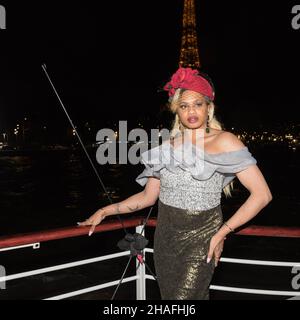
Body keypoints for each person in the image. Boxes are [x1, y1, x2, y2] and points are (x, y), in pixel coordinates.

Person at [78, 67, 273, 300]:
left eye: (198, 104)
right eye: (184, 106)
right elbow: (146, 198)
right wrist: (105, 210)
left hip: (202, 240)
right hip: (165, 241)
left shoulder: (225, 141)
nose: (191, 111)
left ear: (209, 108)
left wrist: (222, 233)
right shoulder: (164, 149)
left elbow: (262, 195)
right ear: (176, 112)